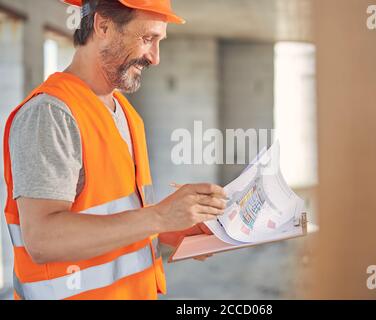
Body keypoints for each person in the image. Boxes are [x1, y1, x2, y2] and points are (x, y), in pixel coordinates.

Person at [2, 0, 226, 300]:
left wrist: (174, 229)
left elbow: (116, 220)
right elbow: (43, 240)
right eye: (147, 39)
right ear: (103, 26)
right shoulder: (51, 113)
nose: (155, 57)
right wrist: (159, 216)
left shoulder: (125, 113)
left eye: (159, 41)